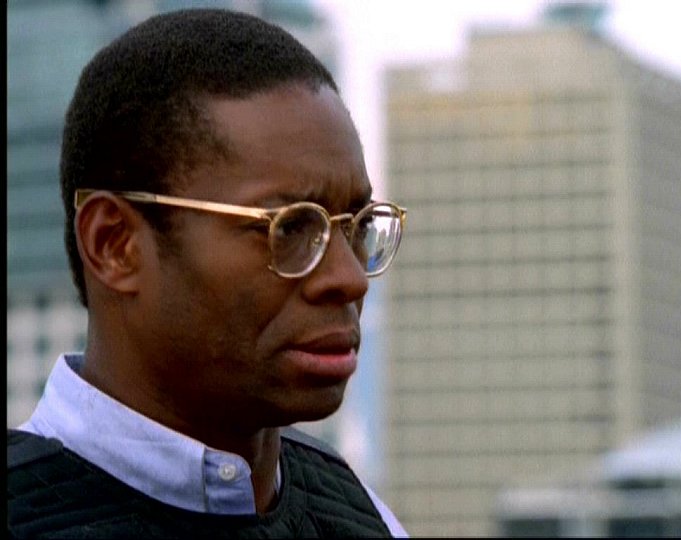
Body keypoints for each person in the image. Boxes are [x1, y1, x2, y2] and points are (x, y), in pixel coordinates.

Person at [7, 8, 408, 538]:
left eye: (356, 226)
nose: (350, 279)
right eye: (289, 228)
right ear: (114, 244)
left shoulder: (362, 516)